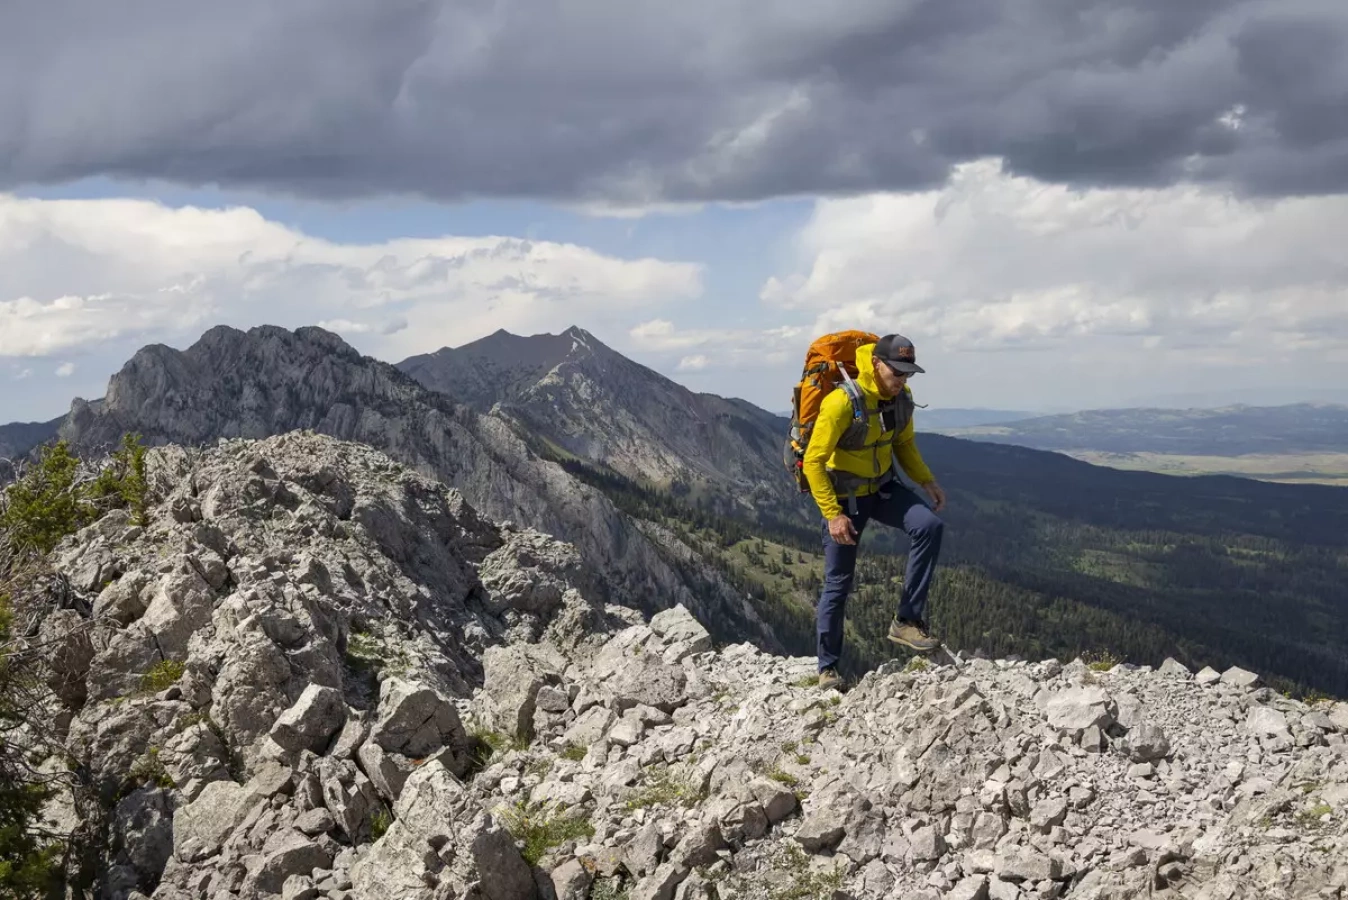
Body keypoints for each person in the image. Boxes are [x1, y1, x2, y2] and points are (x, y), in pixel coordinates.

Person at [801, 333, 947, 690]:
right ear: (877, 364)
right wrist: (833, 514)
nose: (902, 380)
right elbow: (814, 462)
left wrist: (926, 481)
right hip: (845, 500)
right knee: (839, 582)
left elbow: (904, 444)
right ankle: (827, 668)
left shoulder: (901, 400)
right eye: (897, 372)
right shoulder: (841, 402)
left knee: (929, 526)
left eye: (907, 373)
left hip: (882, 489)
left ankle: (906, 621)